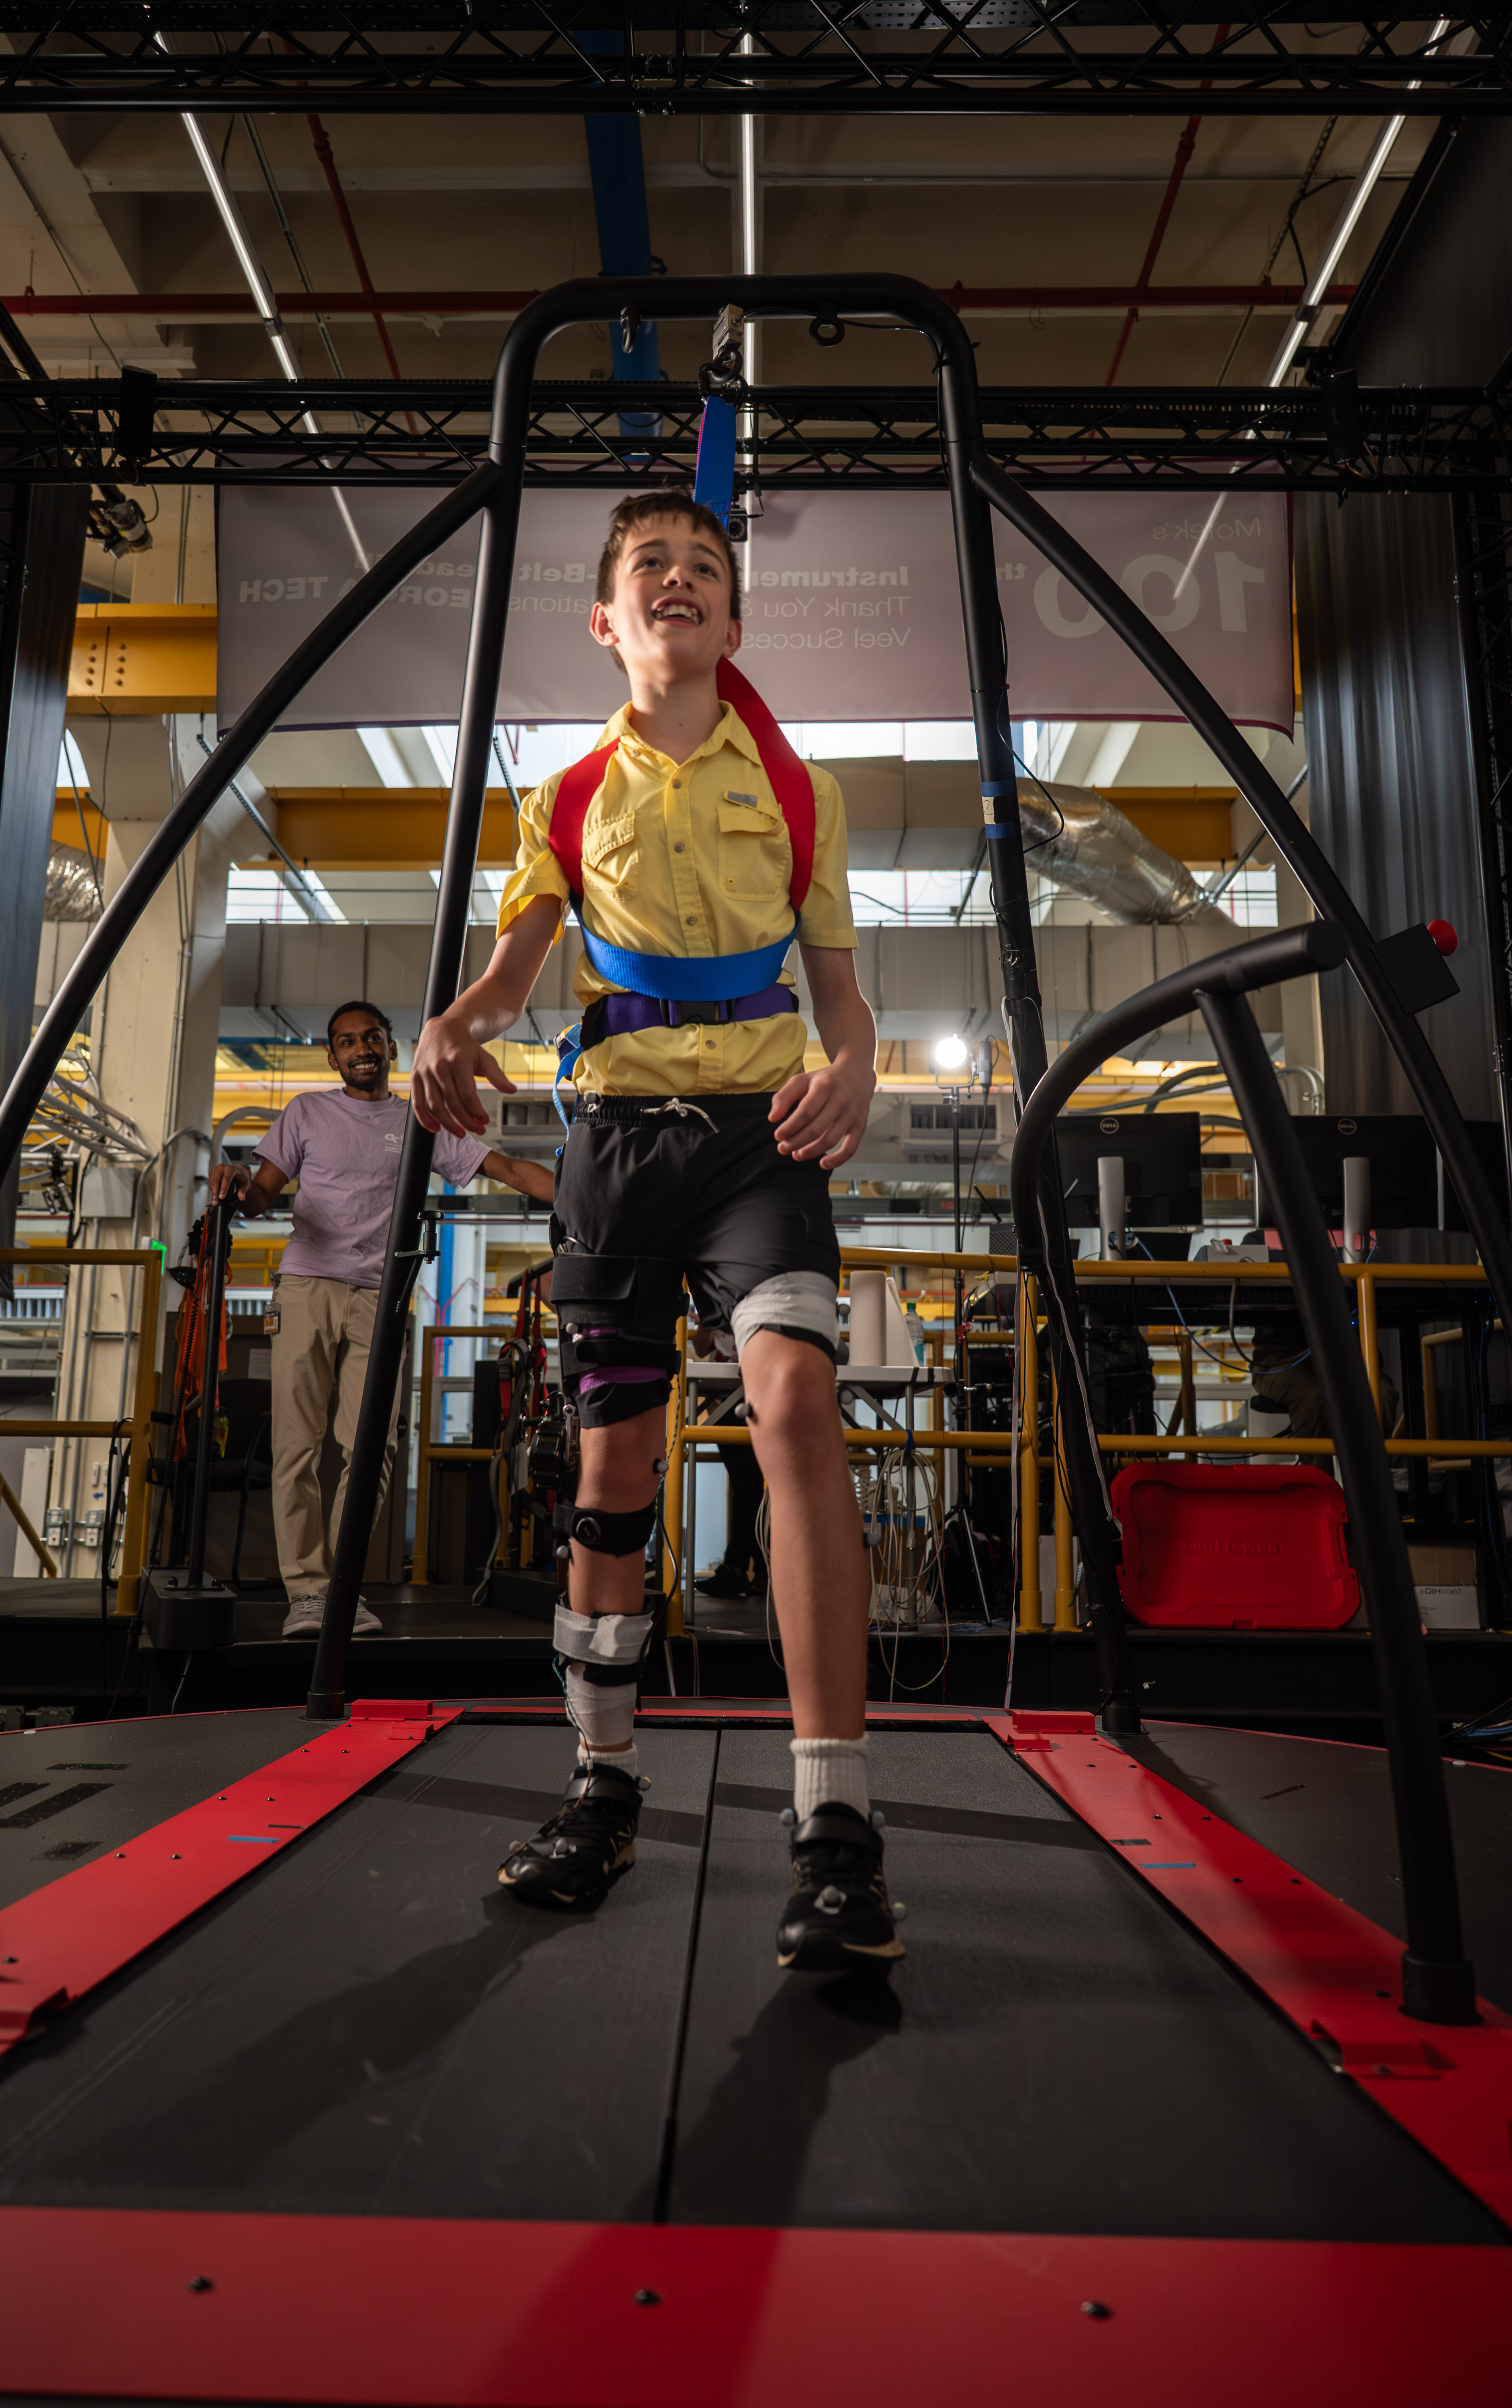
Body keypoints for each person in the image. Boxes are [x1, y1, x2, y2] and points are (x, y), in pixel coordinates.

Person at [410, 492, 900, 1974]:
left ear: (733, 623)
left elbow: (841, 992)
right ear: (608, 623)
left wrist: (860, 1060)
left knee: (796, 1402)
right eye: (649, 570)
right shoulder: (562, 799)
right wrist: (455, 1020)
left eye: (704, 570)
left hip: (762, 1137)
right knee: (613, 1465)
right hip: (617, 1145)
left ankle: (834, 1825)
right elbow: (510, 976)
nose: (678, 583)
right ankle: (602, 1781)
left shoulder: (799, 790)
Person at [211, 1000, 553, 1638]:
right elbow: (262, 1193)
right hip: (309, 1286)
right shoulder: (306, 1113)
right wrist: (235, 1180)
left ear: (391, 1048)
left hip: (382, 1296)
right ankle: (307, 1593)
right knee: (297, 1447)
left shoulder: (422, 1122)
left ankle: (341, 1586)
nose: (361, 1049)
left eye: (372, 1037)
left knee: (375, 1447)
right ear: (332, 1055)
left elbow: (503, 1168)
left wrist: (590, 1198)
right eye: (347, 1041)